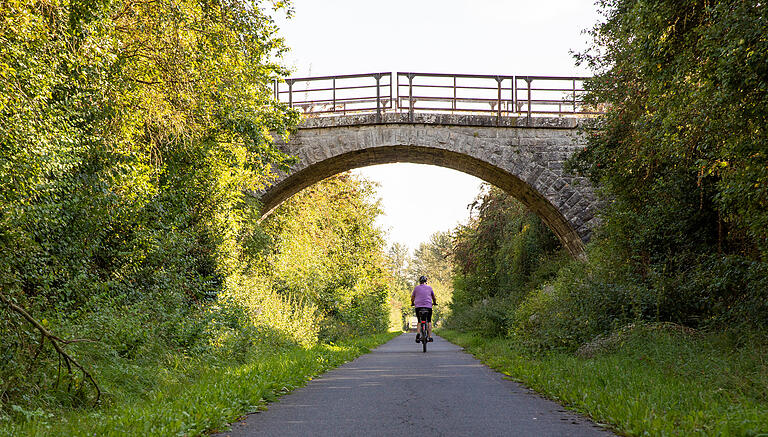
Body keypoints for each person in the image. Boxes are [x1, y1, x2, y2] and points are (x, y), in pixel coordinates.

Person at [411, 275, 436, 343]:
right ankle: (430, 336)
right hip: (428, 307)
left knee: (419, 321)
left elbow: (412, 297)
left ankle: (418, 333)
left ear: (420, 281)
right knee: (429, 321)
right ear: (426, 281)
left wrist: (412, 303)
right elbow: (433, 297)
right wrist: (434, 302)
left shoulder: (416, 288)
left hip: (418, 307)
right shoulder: (429, 288)